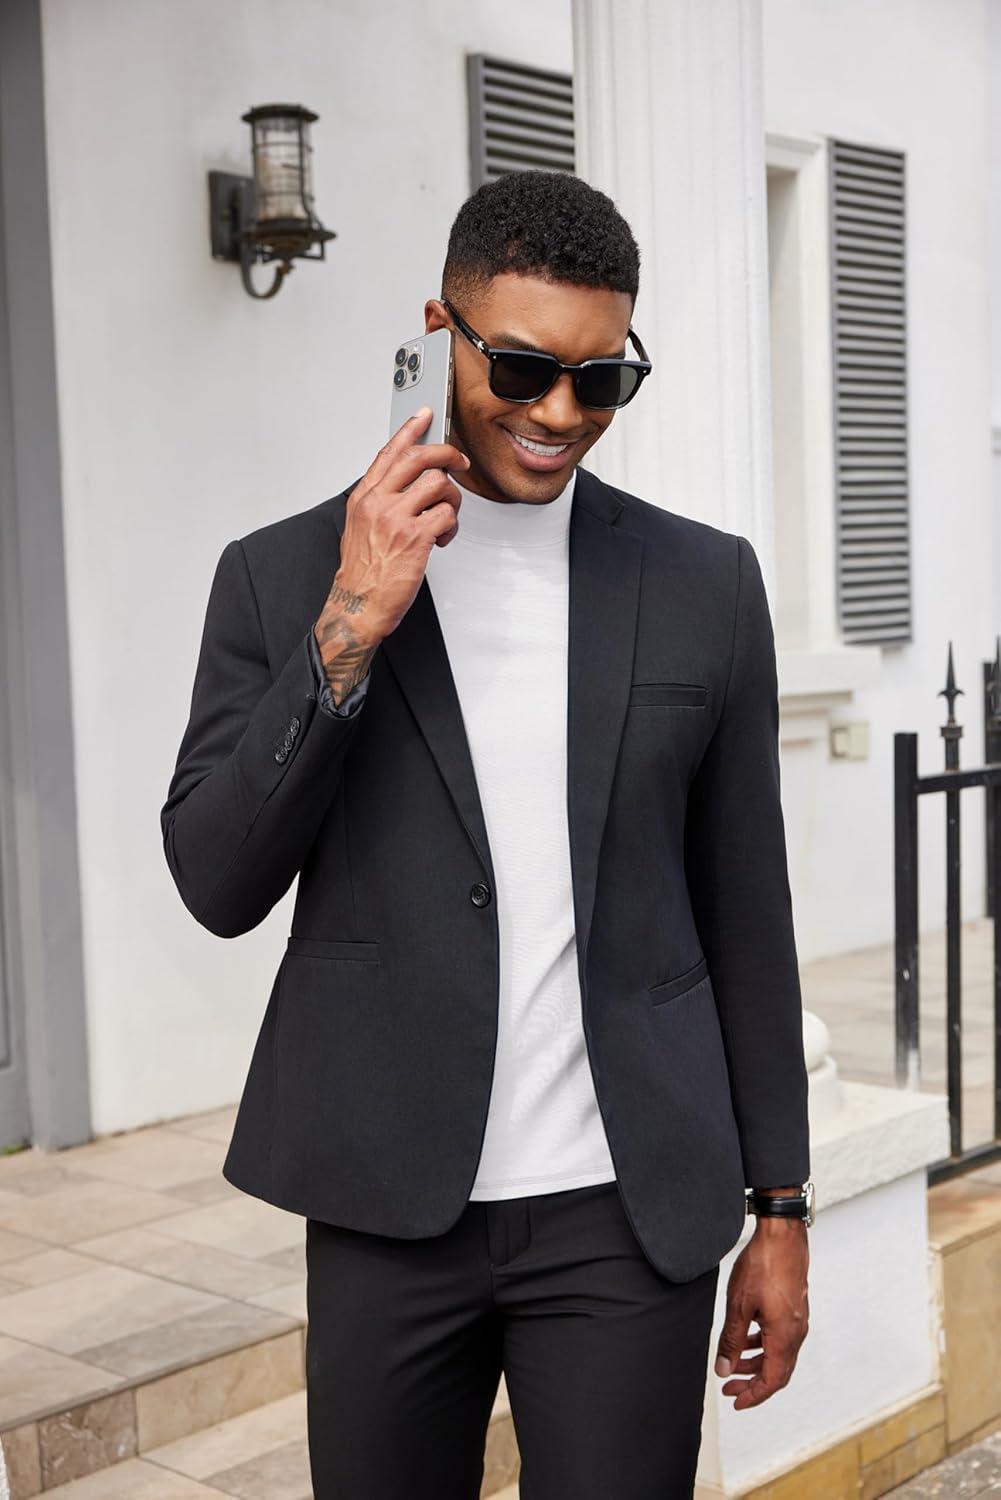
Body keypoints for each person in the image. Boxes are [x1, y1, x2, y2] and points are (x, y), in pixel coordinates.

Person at [161, 168, 813, 1500]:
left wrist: (782, 1207)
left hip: (624, 1206)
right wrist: (350, 625)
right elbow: (216, 880)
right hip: (386, 1200)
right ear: (436, 332)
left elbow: (745, 907)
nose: (559, 415)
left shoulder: (703, 584)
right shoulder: (282, 576)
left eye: (600, 380)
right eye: (520, 370)